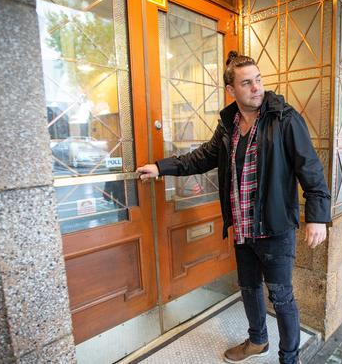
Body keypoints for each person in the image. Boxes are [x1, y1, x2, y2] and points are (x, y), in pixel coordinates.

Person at [137, 51, 331, 364]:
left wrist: (317, 217)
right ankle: (257, 341)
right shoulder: (229, 126)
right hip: (242, 227)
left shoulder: (285, 118)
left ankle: (290, 358)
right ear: (232, 90)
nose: (256, 88)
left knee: (281, 297)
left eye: (258, 80)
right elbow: (200, 158)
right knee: (249, 287)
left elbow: (310, 168)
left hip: (274, 227)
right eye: (246, 83)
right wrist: (161, 168)